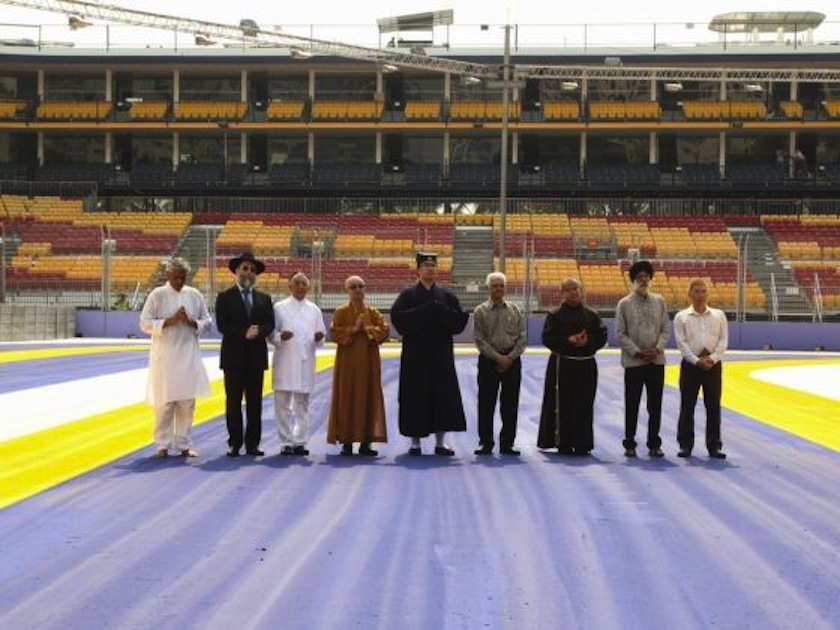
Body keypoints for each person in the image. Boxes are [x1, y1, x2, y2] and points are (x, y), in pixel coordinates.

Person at [390, 252, 469, 456]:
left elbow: (458, 322)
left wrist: (440, 311)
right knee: (414, 396)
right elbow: (398, 320)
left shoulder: (447, 297)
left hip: (441, 355)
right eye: (426, 266)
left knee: (442, 395)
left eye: (433, 266)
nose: (430, 269)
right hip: (415, 356)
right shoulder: (407, 296)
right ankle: (415, 443)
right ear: (418, 270)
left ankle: (440, 442)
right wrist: (427, 311)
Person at [140, 257, 212, 458]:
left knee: (187, 403)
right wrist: (169, 321)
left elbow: (207, 322)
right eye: (175, 277)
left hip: (188, 355)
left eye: (182, 277)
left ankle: (183, 444)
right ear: (168, 275)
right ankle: (162, 445)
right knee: (164, 403)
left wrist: (191, 322)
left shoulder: (194, 295)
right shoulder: (157, 295)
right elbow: (144, 323)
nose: (179, 281)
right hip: (165, 357)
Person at [537, 278, 608, 456]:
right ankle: (563, 442)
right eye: (568, 289)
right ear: (562, 293)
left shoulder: (592, 315)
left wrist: (587, 340)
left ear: (581, 291)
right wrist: (568, 340)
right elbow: (547, 338)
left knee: (584, 404)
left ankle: (582, 443)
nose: (573, 292)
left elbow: (601, 336)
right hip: (562, 365)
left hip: (586, 365)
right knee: (563, 404)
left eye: (576, 288)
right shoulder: (554, 315)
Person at [216, 252, 275, 457]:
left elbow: (270, 323)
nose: (249, 273)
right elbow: (222, 325)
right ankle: (234, 442)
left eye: (252, 270)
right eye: (245, 268)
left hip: (256, 358)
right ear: (237, 271)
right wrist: (244, 333)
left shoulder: (264, 299)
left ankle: (252, 444)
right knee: (233, 402)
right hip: (233, 358)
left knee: (255, 402)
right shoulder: (224, 297)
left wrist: (259, 331)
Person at [327, 275, 390, 456]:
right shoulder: (340, 312)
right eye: (353, 287)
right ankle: (346, 441)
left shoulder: (373, 312)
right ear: (347, 291)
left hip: (369, 363)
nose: (357, 290)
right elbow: (334, 332)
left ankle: (366, 442)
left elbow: (385, 331)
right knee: (346, 396)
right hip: (347, 363)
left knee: (368, 396)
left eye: (361, 286)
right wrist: (354, 329)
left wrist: (368, 329)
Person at [615, 260, 671, 458]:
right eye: (639, 277)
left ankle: (654, 444)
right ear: (633, 280)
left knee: (655, 405)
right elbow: (621, 334)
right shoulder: (624, 304)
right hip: (634, 363)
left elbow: (666, 329)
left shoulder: (660, 301)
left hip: (656, 361)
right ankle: (629, 444)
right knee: (632, 404)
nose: (644, 280)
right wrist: (638, 352)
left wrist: (657, 349)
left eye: (646, 276)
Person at [269, 272, 326, 456]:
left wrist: (318, 338)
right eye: (297, 283)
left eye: (304, 283)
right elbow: (271, 334)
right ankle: (286, 441)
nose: (301, 286)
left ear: (308, 287)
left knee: (302, 404)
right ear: (290, 286)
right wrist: (280, 337)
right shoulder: (279, 308)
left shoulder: (314, 310)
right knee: (282, 403)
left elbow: (321, 336)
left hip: (305, 360)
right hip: (284, 360)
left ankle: (300, 441)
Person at [472, 271, 527, 456]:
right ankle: (485, 443)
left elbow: (522, 338)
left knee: (510, 403)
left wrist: (510, 358)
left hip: (513, 361)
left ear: (505, 288)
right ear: (488, 288)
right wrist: (498, 358)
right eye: (494, 286)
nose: (498, 289)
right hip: (489, 362)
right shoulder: (480, 311)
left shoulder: (515, 310)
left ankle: (507, 443)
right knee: (486, 403)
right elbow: (479, 340)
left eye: (501, 286)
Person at [673, 279, 729, 459]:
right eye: (697, 291)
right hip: (691, 366)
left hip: (713, 366)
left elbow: (723, 341)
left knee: (713, 406)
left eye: (704, 291)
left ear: (708, 294)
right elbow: (681, 344)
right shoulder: (681, 317)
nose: (700, 295)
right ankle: (685, 445)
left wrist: (712, 359)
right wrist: (697, 361)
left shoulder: (719, 315)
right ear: (689, 294)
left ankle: (714, 446)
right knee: (687, 406)